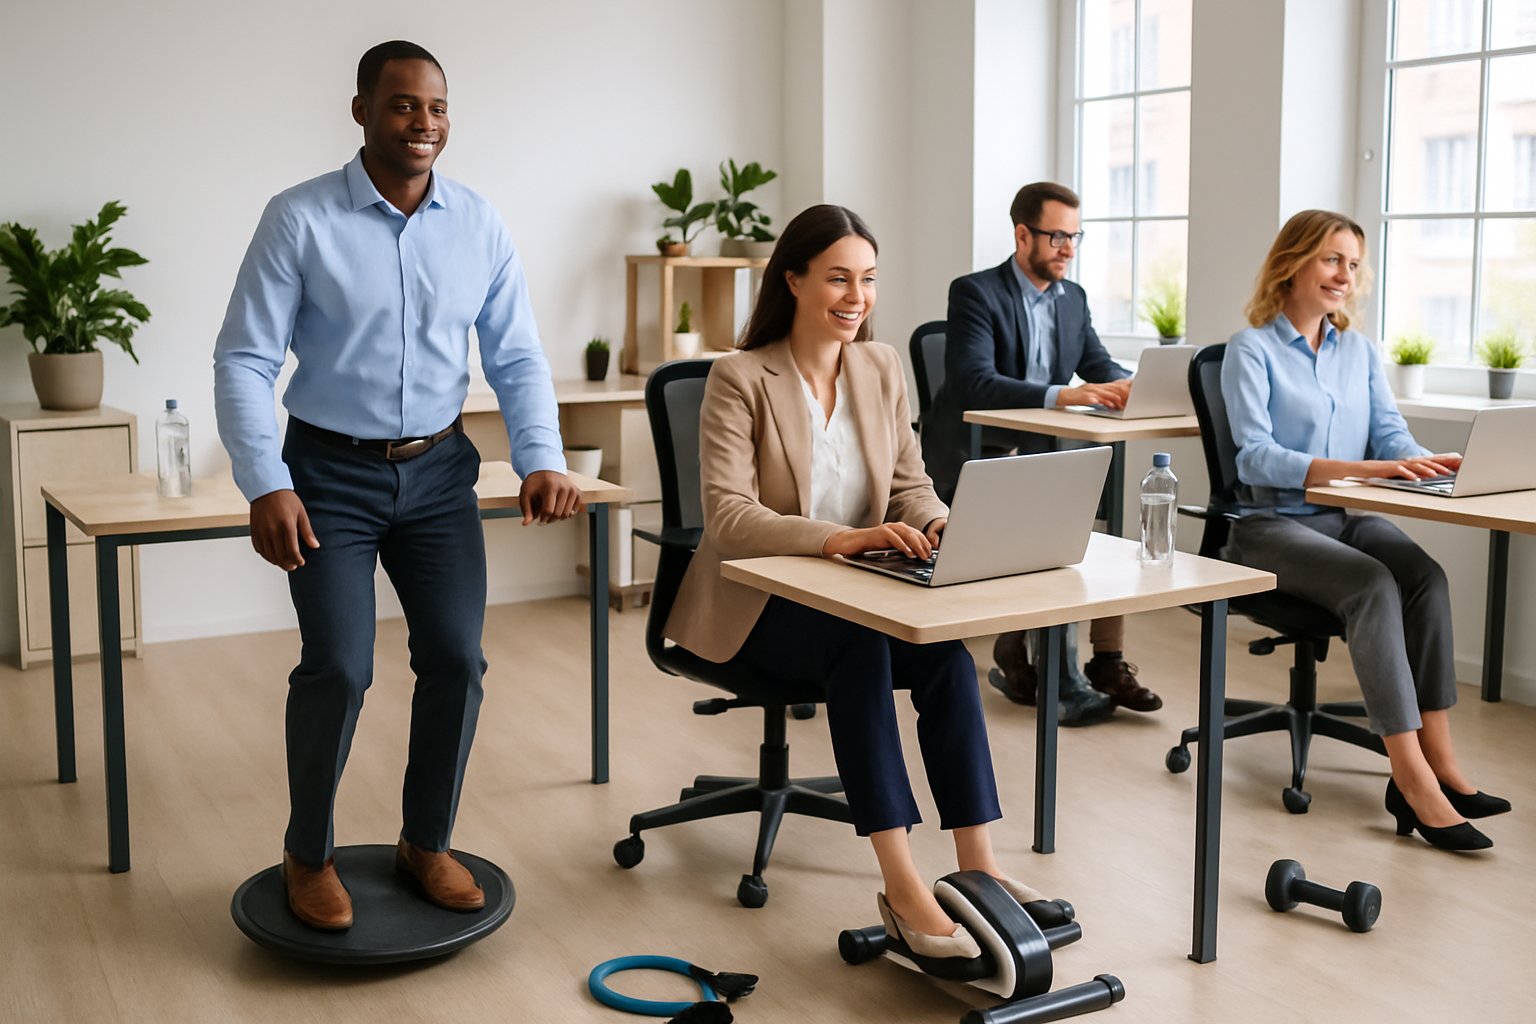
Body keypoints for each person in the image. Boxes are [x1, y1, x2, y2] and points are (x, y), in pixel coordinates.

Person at [213, 40, 584, 930]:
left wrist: (542, 455)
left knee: (457, 659)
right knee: (338, 667)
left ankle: (427, 842)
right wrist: (266, 481)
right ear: (362, 112)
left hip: (439, 471)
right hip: (327, 475)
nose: (424, 123)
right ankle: (310, 855)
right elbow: (245, 357)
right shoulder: (299, 219)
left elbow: (516, 353)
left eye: (437, 108)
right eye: (404, 106)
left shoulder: (479, 224)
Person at [665, 204, 1047, 959]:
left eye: (868, 280)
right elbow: (729, 518)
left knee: (942, 652)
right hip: (763, 605)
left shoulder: (880, 367)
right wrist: (842, 539)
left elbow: (911, 483)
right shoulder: (739, 378)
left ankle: (980, 867)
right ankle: (903, 886)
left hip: (861, 593)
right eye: (838, 277)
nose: (856, 297)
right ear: (794, 279)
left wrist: (938, 523)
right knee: (860, 645)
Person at [1222, 209, 1510, 851]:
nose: (1344, 274)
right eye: (1331, 259)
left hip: (1346, 518)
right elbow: (1254, 458)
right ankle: (1409, 778)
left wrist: (1426, 462)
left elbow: (1389, 435)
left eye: (1353, 264)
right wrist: (1367, 466)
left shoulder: (1359, 351)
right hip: (1270, 525)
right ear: (1293, 262)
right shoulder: (1252, 348)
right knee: (1373, 584)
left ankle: (1442, 761)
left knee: (1423, 578)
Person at [922, 181, 1162, 723]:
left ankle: (1105, 661)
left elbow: (1099, 366)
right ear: (1022, 234)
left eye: (1076, 237)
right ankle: (1063, 680)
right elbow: (974, 383)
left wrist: (1132, 388)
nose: (1068, 249)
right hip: (971, 455)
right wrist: (1064, 394)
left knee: (1100, 532)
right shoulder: (976, 292)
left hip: (1037, 455)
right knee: (1058, 535)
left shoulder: (1072, 299)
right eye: (1057, 236)